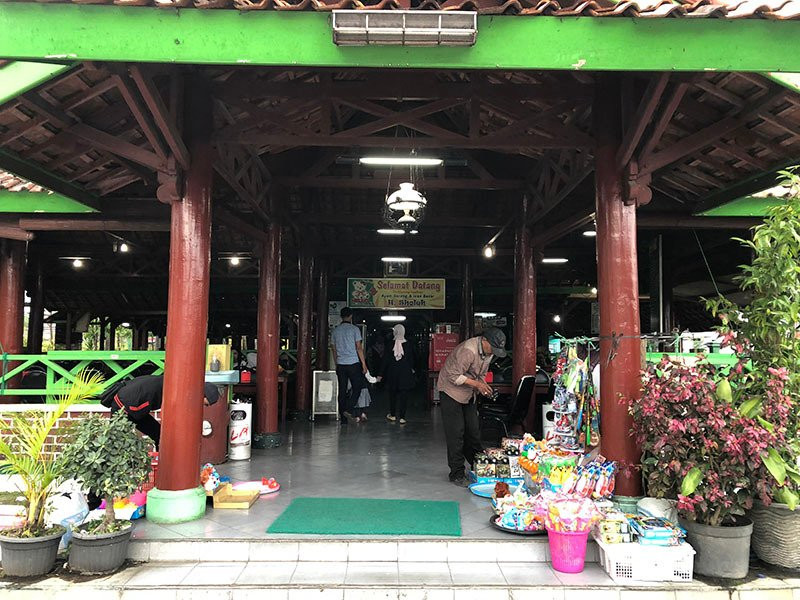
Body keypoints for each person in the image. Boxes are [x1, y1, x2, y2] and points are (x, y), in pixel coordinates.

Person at [437, 327, 507, 487]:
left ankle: (479, 467)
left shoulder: (489, 353)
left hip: (468, 393)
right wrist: (477, 384)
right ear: (484, 340)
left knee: (473, 431)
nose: (494, 353)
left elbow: (481, 375)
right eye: (493, 348)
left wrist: (483, 387)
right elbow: (453, 376)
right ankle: (456, 473)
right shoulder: (468, 350)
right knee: (456, 433)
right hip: (450, 391)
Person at [102, 375, 221, 449]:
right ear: (203, 394)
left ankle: (161, 465)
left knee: (158, 434)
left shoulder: (185, 387)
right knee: (116, 442)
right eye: (205, 403)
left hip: (133, 403)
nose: (203, 406)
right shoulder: (183, 390)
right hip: (125, 404)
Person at [331, 307, 369, 423]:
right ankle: (348, 409)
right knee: (357, 388)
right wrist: (364, 364)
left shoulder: (335, 331)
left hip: (341, 364)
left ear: (341, 316)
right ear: (351, 316)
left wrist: (337, 363)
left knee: (342, 391)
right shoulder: (355, 329)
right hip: (353, 364)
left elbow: (333, 349)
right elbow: (359, 348)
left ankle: (343, 419)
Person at [379, 324, 415, 425]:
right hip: (405, 372)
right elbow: (411, 359)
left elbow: (385, 360)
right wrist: (412, 369)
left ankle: (393, 415)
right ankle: (402, 417)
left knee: (392, 394)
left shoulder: (390, 344)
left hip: (392, 372)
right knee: (404, 395)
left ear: (395, 332)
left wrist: (380, 374)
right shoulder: (408, 344)